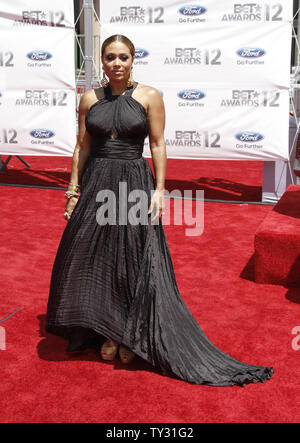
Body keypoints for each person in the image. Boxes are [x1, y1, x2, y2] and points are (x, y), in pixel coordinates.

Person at [46, 34, 273, 386]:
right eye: (110, 57)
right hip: (96, 181)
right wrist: (73, 190)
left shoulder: (150, 96)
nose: (116, 63)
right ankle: (107, 329)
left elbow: (157, 143)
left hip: (134, 180)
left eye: (123, 57)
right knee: (95, 256)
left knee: (133, 255)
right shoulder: (89, 97)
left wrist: (160, 189)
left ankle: (127, 333)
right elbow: (82, 146)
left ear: (133, 59)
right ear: (101, 62)